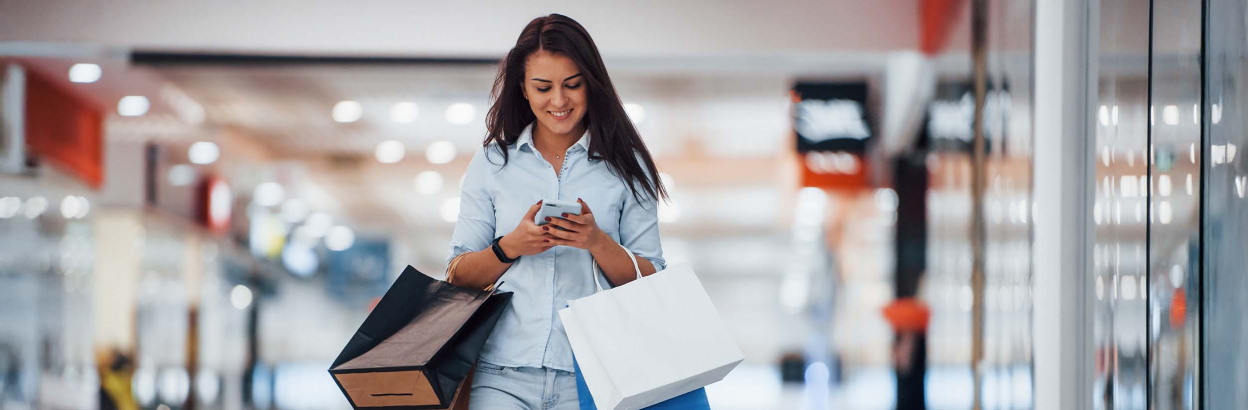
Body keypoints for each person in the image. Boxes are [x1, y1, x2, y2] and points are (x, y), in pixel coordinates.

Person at [445, 13, 668, 410]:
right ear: (523, 90)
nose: (559, 101)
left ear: (592, 84)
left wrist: (597, 242)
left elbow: (653, 281)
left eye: (573, 85)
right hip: (500, 375)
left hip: (589, 376)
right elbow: (457, 274)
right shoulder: (493, 163)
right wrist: (508, 247)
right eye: (543, 87)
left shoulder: (627, 168)